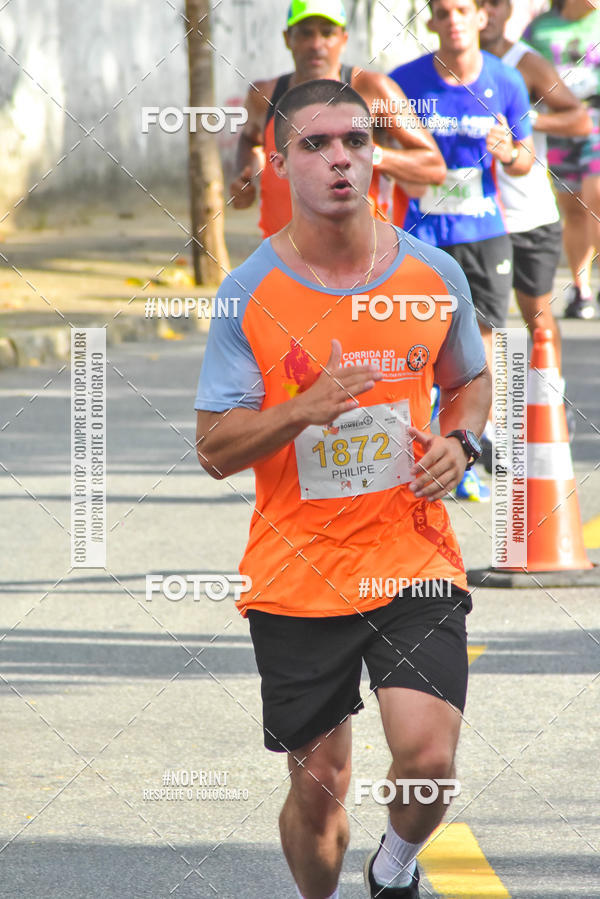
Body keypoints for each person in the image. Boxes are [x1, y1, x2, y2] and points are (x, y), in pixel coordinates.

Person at [196, 79, 491, 899]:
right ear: (279, 162)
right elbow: (214, 449)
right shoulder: (249, 292)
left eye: (355, 142)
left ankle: (393, 869)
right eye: (316, 145)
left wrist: (461, 442)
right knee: (320, 791)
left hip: (412, 553)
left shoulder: (433, 274)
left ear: (374, 156)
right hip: (298, 572)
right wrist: (302, 409)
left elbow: (469, 379)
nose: (340, 160)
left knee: (429, 761)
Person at [389, 0, 534, 500]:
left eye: (462, 10)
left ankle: (463, 449)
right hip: (421, 230)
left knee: (480, 349)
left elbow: (525, 158)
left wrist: (509, 152)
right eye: (443, 11)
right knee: (420, 345)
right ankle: (418, 449)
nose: (453, 20)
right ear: (431, 21)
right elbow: (377, 146)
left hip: (482, 232)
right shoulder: (402, 82)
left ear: (481, 18)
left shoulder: (506, 80)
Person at [229, 0, 446, 236]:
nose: (316, 44)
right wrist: (245, 178)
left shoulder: (371, 90)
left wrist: (372, 154)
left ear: (344, 39)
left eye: (327, 33)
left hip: (359, 260)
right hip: (283, 259)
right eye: (306, 33)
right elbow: (250, 139)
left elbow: (433, 167)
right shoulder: (265, 96)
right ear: (287, 39)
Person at [525, 0, 600, 319]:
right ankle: (581, 291)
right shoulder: (540, 27)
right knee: (573, 208)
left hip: (596, 115)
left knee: (596, 195)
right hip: (557, 122)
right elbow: (522, 68)